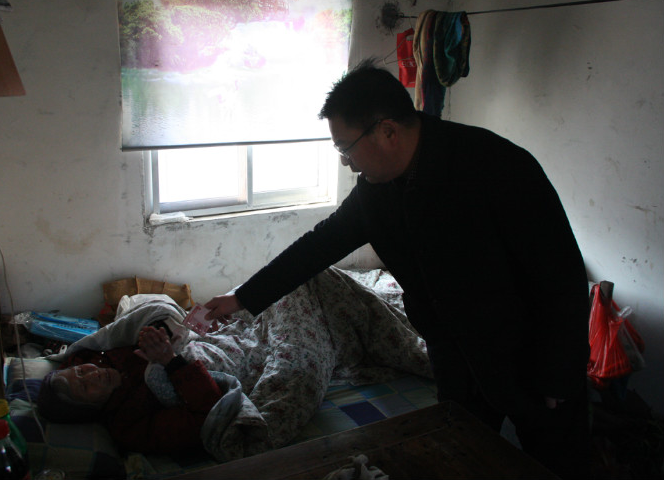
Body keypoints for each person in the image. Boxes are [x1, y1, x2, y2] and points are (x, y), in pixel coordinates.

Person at [204, 58, 591, 479]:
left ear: (387, 131)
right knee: (463, 455)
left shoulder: (497, 166)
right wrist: (242, 298)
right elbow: (318, 246)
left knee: (555, 462)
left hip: (529, 356)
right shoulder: (377, 191)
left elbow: (561, 277)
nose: (347, 163)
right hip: (454, 355)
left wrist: (560, 373)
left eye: (346, 148)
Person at [37, 323, 223, 454]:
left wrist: (153, 332)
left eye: (80, 371)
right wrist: (171, 361)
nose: (93, 375)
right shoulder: (131, 428)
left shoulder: (95, 356)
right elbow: (212, 416)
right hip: (210, 370)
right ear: (88, 409)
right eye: (85, 387)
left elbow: (127, 328)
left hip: (201, 338)